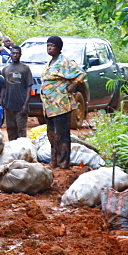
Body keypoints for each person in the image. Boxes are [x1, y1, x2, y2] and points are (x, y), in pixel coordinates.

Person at [41, 35, 86, 168]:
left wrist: (72, 86)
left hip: (60, 104)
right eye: (48, 45)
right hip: (49, 106)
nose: (50, 48)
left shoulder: (64, 62)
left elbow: (81, 73)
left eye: (52, 46)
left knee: (62, 134)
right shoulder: (49, 62)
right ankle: (54, 160)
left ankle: (63, 162)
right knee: (51, 134)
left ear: (59, 48)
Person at [1, 45, 34, 141]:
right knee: (11, 129)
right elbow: (3, 86)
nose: (15, 55)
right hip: (8, 104)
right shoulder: (6, 69)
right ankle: (12, 149)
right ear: (10, 54)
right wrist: (1, 99)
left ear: (20, 55)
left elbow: (28, 87)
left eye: (17, 53)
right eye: (13, 53)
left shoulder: (25, 69)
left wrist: (26, 104)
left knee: (21, 129)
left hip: (21, 104)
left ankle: (22, 149)